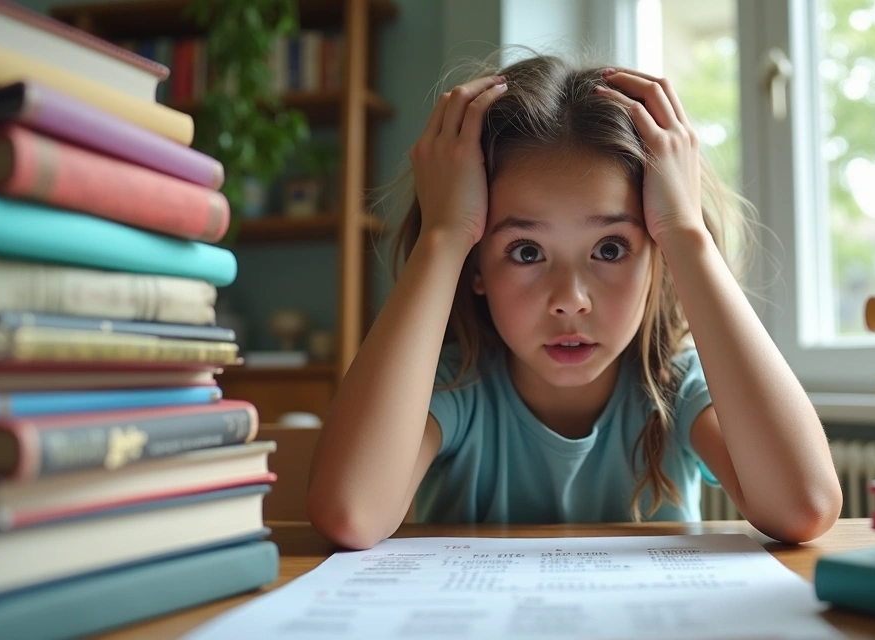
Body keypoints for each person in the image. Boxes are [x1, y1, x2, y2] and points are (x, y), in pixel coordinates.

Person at [308, 54, 842, 549]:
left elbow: (805, 507)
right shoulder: (455, 387)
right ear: (474, 267)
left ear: (658, 259)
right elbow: (351, 514)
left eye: (610, 249)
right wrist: (444, 235)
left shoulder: (675, 388)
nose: (570, 301)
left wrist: (685, 233)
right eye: (526, 251)